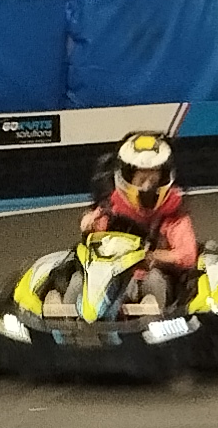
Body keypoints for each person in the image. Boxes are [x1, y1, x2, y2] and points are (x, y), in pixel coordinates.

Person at [80, 128, 201, 306]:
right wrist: (88, 228)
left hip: (155, 279)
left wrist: (153, 256)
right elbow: (93, 240)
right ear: (127, 177)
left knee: (154, 280)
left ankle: (152, 317)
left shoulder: (173, 216)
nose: (147, 187)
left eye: (153, 179)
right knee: (79, 278)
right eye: (142, 179)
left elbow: (187, 255)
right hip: (115, 278)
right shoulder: (110, 209)